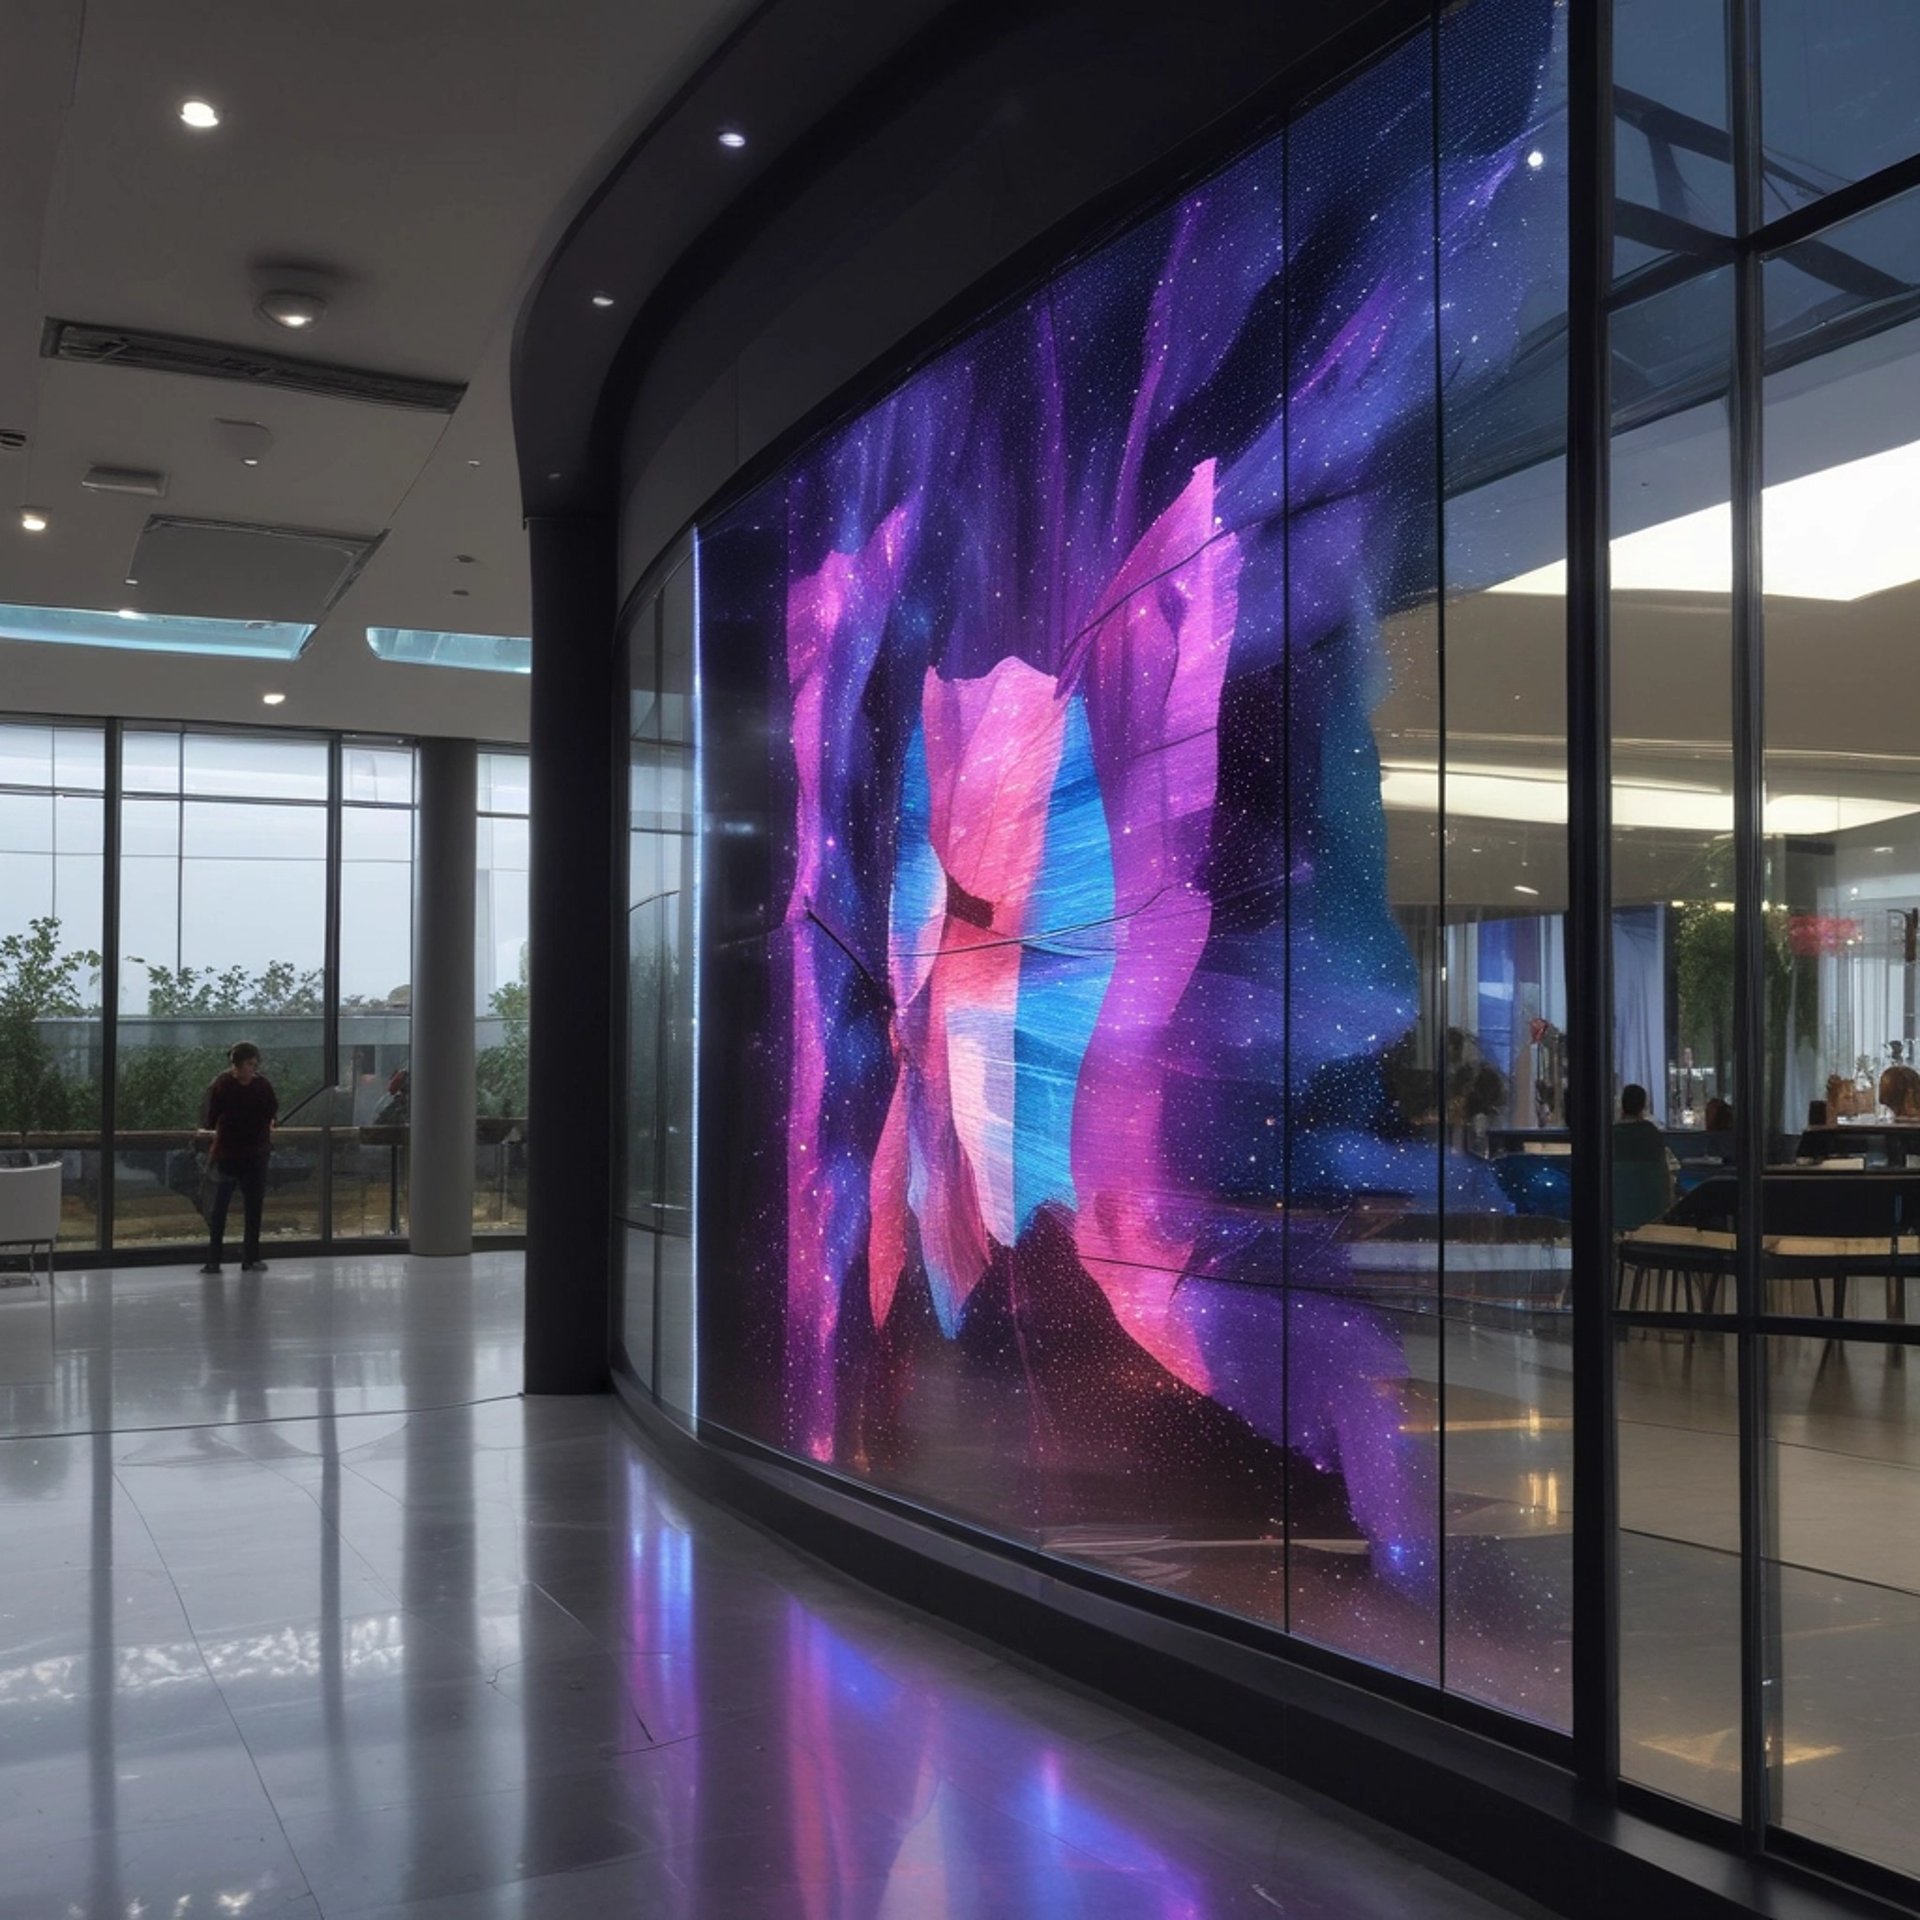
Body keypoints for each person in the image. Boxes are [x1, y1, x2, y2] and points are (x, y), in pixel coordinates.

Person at [199, 1041, 278, 1274]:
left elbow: (210, 1118)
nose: (252, 1069)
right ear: (239, 1065)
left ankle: (220, 1259)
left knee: (226, 1208)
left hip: (233, 1153)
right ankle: (244, 1258)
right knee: (240, 1208)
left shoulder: (223, 1085)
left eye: (254, 1065)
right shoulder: (260, 1087)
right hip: (246, 1154)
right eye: (249, 1064)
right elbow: (272, 1112)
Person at [1613, 1082, 1674, 1229]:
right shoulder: (1652, 1135)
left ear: (1622, 1105)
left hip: (1617, 1211)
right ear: (1643, 1106)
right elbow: (1664, 1179)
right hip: (1650, 1213)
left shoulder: (1611, 1135)